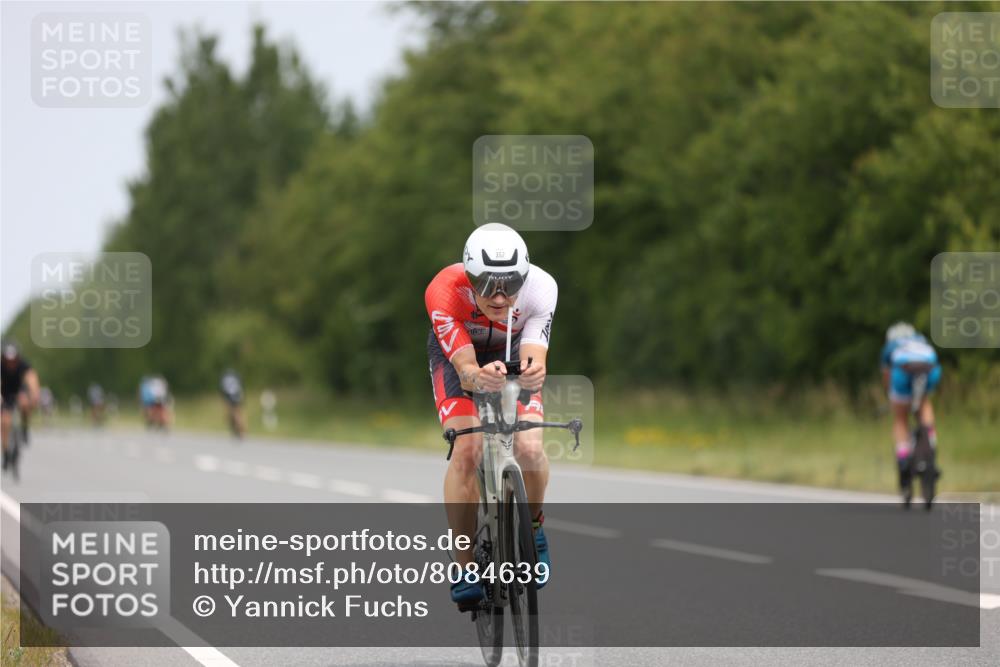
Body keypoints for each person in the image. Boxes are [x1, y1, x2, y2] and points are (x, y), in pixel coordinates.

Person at [424, 223, 557, 607]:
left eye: (510, 284)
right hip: (458, 358)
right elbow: (465, 368)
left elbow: (535, 357)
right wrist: (476, 376)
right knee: (467, 451)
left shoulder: (541, 287)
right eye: (486, 286)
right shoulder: (444, 290)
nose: (499, 298)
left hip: (511, 352)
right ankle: (464, 564)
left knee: (530, 449)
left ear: (524, 277)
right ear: (470, 277)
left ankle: (534, 529)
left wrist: (532, 371)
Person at [880, 322, 942, 494]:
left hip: (903, 371)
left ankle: (903, 458)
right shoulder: (921, 339)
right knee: (924, 403)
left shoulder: (890, 346)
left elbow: (887, 376)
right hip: (929, 368)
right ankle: (930, 440)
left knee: (901, 418)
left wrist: (890, 396)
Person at [1, 341, 40, 473]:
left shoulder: (23, 365)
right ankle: (6, 452)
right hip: (5, 394)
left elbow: (32, 379)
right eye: (8, 359)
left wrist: (34, 395)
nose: (11, 362)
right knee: (5, 422)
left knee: (24, 402)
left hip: (19, 392)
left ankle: (24, 427)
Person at [219, 369, 246, 438]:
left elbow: (223, 388)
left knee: (232, 413)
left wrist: (223, 398)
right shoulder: (236, 376)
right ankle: (239, 429)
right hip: (237, 395)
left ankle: (239, 429)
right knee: (238, 412)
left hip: (230, 396)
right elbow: (241, 385)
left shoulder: (225, 378)